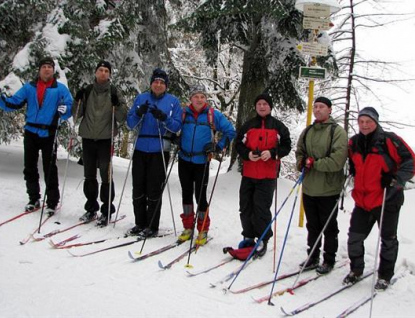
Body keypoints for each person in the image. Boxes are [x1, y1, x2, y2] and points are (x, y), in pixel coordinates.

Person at [344, 107, 415, 290]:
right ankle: (356, 270)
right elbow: (353, 163)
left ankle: (384, 275)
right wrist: (353, 171)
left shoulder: (389, 140)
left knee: (388, 240)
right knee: (354, 238)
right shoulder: (354, 142)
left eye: (368, 121)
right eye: (361, 121)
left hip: (387, 198)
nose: (365, 125)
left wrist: (396, 179)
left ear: (376, 122)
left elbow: (411, 161)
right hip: (362, 200)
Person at [0, 56, 73, 215]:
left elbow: (69, 105)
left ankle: (52, 201)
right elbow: (14, 103)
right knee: (29, 167)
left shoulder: (60, 89)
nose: (47, 69)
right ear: (39, 70)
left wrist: (64, 110)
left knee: (50, 168)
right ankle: (33, 198)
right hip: (31, 131)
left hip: (49, 132)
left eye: (50, 67)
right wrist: (2, 99)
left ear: (53, 70)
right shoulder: (29, 87)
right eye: (44, 66)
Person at [126, 68, 182, 238]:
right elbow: (129, 124)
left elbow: (177, 126)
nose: (158, 85)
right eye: (155, 81)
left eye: (162, 82)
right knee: (138, 187)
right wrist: (138, 112)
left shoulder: (173, 101)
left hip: (160, 149)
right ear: (151, 83)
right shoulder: (141, 98)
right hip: (141, 147)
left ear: (166, 85)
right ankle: (139, 222)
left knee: (154, 189)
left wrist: (164, 118)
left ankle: (152, 225)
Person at [176, 84, 236, 246]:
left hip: (202, 161)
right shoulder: (183, 113)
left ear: (206, 99)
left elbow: (231, 131)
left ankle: (203, 229)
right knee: (186, 193)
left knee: (200, 195)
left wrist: (217, 146)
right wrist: (176, 138)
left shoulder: (213, 115)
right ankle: (188, 227)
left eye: (202, 96)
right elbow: (173, 127)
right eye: (196, 96)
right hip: (183, 159)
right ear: (190, 98)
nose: (199, 99)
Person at [295, 96, 348, 274]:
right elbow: (299, 152)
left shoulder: (337, 132)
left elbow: (337, 161)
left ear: (329, 110)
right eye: (315, 107)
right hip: (309, 187)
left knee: (329, 227)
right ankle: (313, 256)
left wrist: (314, 163)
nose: (318, 110)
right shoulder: (308, 130)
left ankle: (329, 259)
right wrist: (301, 162)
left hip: (328, 189)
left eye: (322, 107)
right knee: (313, 225)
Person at [235, 93, 291, 257]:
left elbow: (286, 146)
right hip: (249, 173)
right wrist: (247, 154)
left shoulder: (279, 127)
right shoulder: (248, 125)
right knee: (245, 206)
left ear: (270, 107)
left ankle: (263, 238)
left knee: (261, 208)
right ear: (255, 106)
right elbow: (238, 144)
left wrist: (272, 153)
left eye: (265, 104)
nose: (261, 106)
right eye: (259, 104)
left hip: (267, 175)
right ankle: (248, 235)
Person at [72, 61, 127, 227]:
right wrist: (77, 99)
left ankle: (106, 210)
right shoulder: (88, 90)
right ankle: (91, 208)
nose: (103, 73)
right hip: (88, 137)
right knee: (89, 174)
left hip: (105, 138)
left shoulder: (114, 91)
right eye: (100, 70)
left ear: (110, 74)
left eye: (106, 71)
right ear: (95, 72)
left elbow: (122, 117)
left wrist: (117, 104)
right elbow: (76, 114)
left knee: (106, 175)